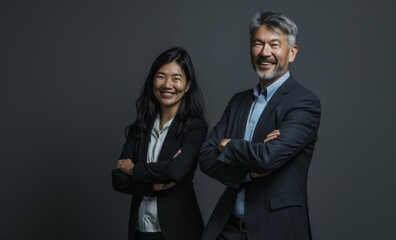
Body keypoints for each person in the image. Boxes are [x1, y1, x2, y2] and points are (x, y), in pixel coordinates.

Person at [199, 11, 321, 240]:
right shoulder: (238, 101)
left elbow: (268, 157)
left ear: (292, 52)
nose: (265, 52)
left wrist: (228, 145)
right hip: (228, 228)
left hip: (276, 230)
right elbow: (205, 157)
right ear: (250, 49)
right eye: (258, 43)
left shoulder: (305, 102)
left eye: (275, 44)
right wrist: (250, 172)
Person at [112, 47, 207, 240]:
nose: (167, 84)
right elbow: (118, 180)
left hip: (179, 230)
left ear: (187, 85)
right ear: (152, 81)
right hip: (140, 229)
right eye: (161, 76)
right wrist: (152, 186)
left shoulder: (195, 127)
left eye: (176, 78)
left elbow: (176, 170)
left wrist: (134, 170)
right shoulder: (139, 127)